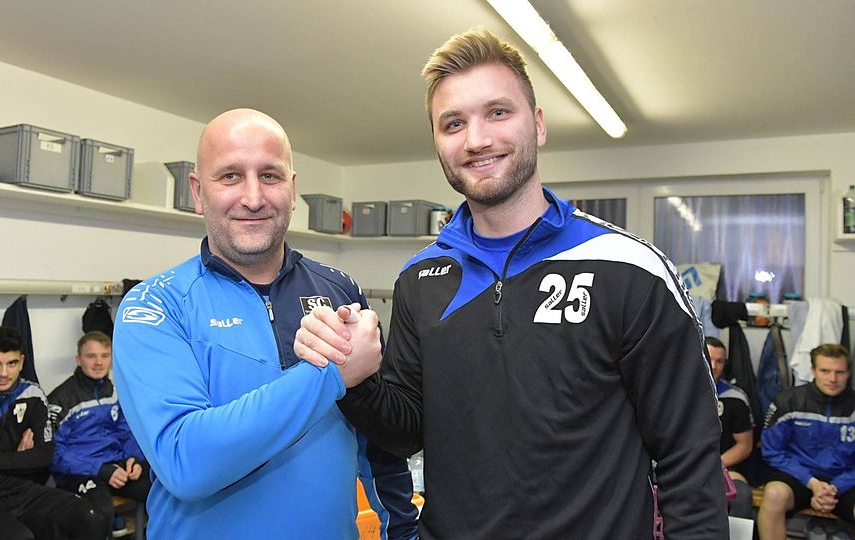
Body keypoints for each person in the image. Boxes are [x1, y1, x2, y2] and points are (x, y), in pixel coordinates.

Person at [294, 28, 727, 539]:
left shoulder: (629, 269)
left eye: (498, 112)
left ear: (538, 125)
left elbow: (689, 459)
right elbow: (407, 429)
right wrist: (353, 379)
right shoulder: (420, 279)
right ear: (437, 142)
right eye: (453, 123)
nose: (476, 139)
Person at [112, 108, 418, 539]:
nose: (253, 198)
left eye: (270, 176)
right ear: (198, 192)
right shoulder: (156, 305)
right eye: (231, 176)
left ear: (292, 190)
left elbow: (378, 448)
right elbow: (185, 461)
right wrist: (330, 377)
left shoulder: (340, 290)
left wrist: (402, 533)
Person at [0, 326, 107, 540]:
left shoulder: (33, 395)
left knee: (90, 517)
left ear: (21, 363)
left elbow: (44, 456)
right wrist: (21, 461)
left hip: (27, 488)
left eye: (11, 363)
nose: (4, 373)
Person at [48, 331, 149, 538]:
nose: (98, 363)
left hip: (116, 467)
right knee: (99, 515)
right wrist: (100, 470)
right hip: (79, 472)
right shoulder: (61, 399)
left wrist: (134, 458)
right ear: (78, 359)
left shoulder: (114, 390)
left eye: (105, 355)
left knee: (162, 487)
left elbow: (126, 431)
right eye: (91, 356)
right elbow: (53, 453)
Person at [758, 343, 855, 540]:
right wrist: (812, 483)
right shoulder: (789, 401)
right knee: (774, 494)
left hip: (846, 481)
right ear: (813, 370)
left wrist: (835, 487)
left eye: (840, 372)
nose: (832, 379)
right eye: (825, 371)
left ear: (849, 372)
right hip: (801, 477)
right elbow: (772, 451)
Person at [706, 336, 755, 518]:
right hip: (682, 466)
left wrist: (714, 464)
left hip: (724, 467)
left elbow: (745, 445)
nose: (714, 365)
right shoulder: (675, 392)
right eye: (708, 358)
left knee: (740, 497)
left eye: (719, 361)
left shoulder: (735, 398)